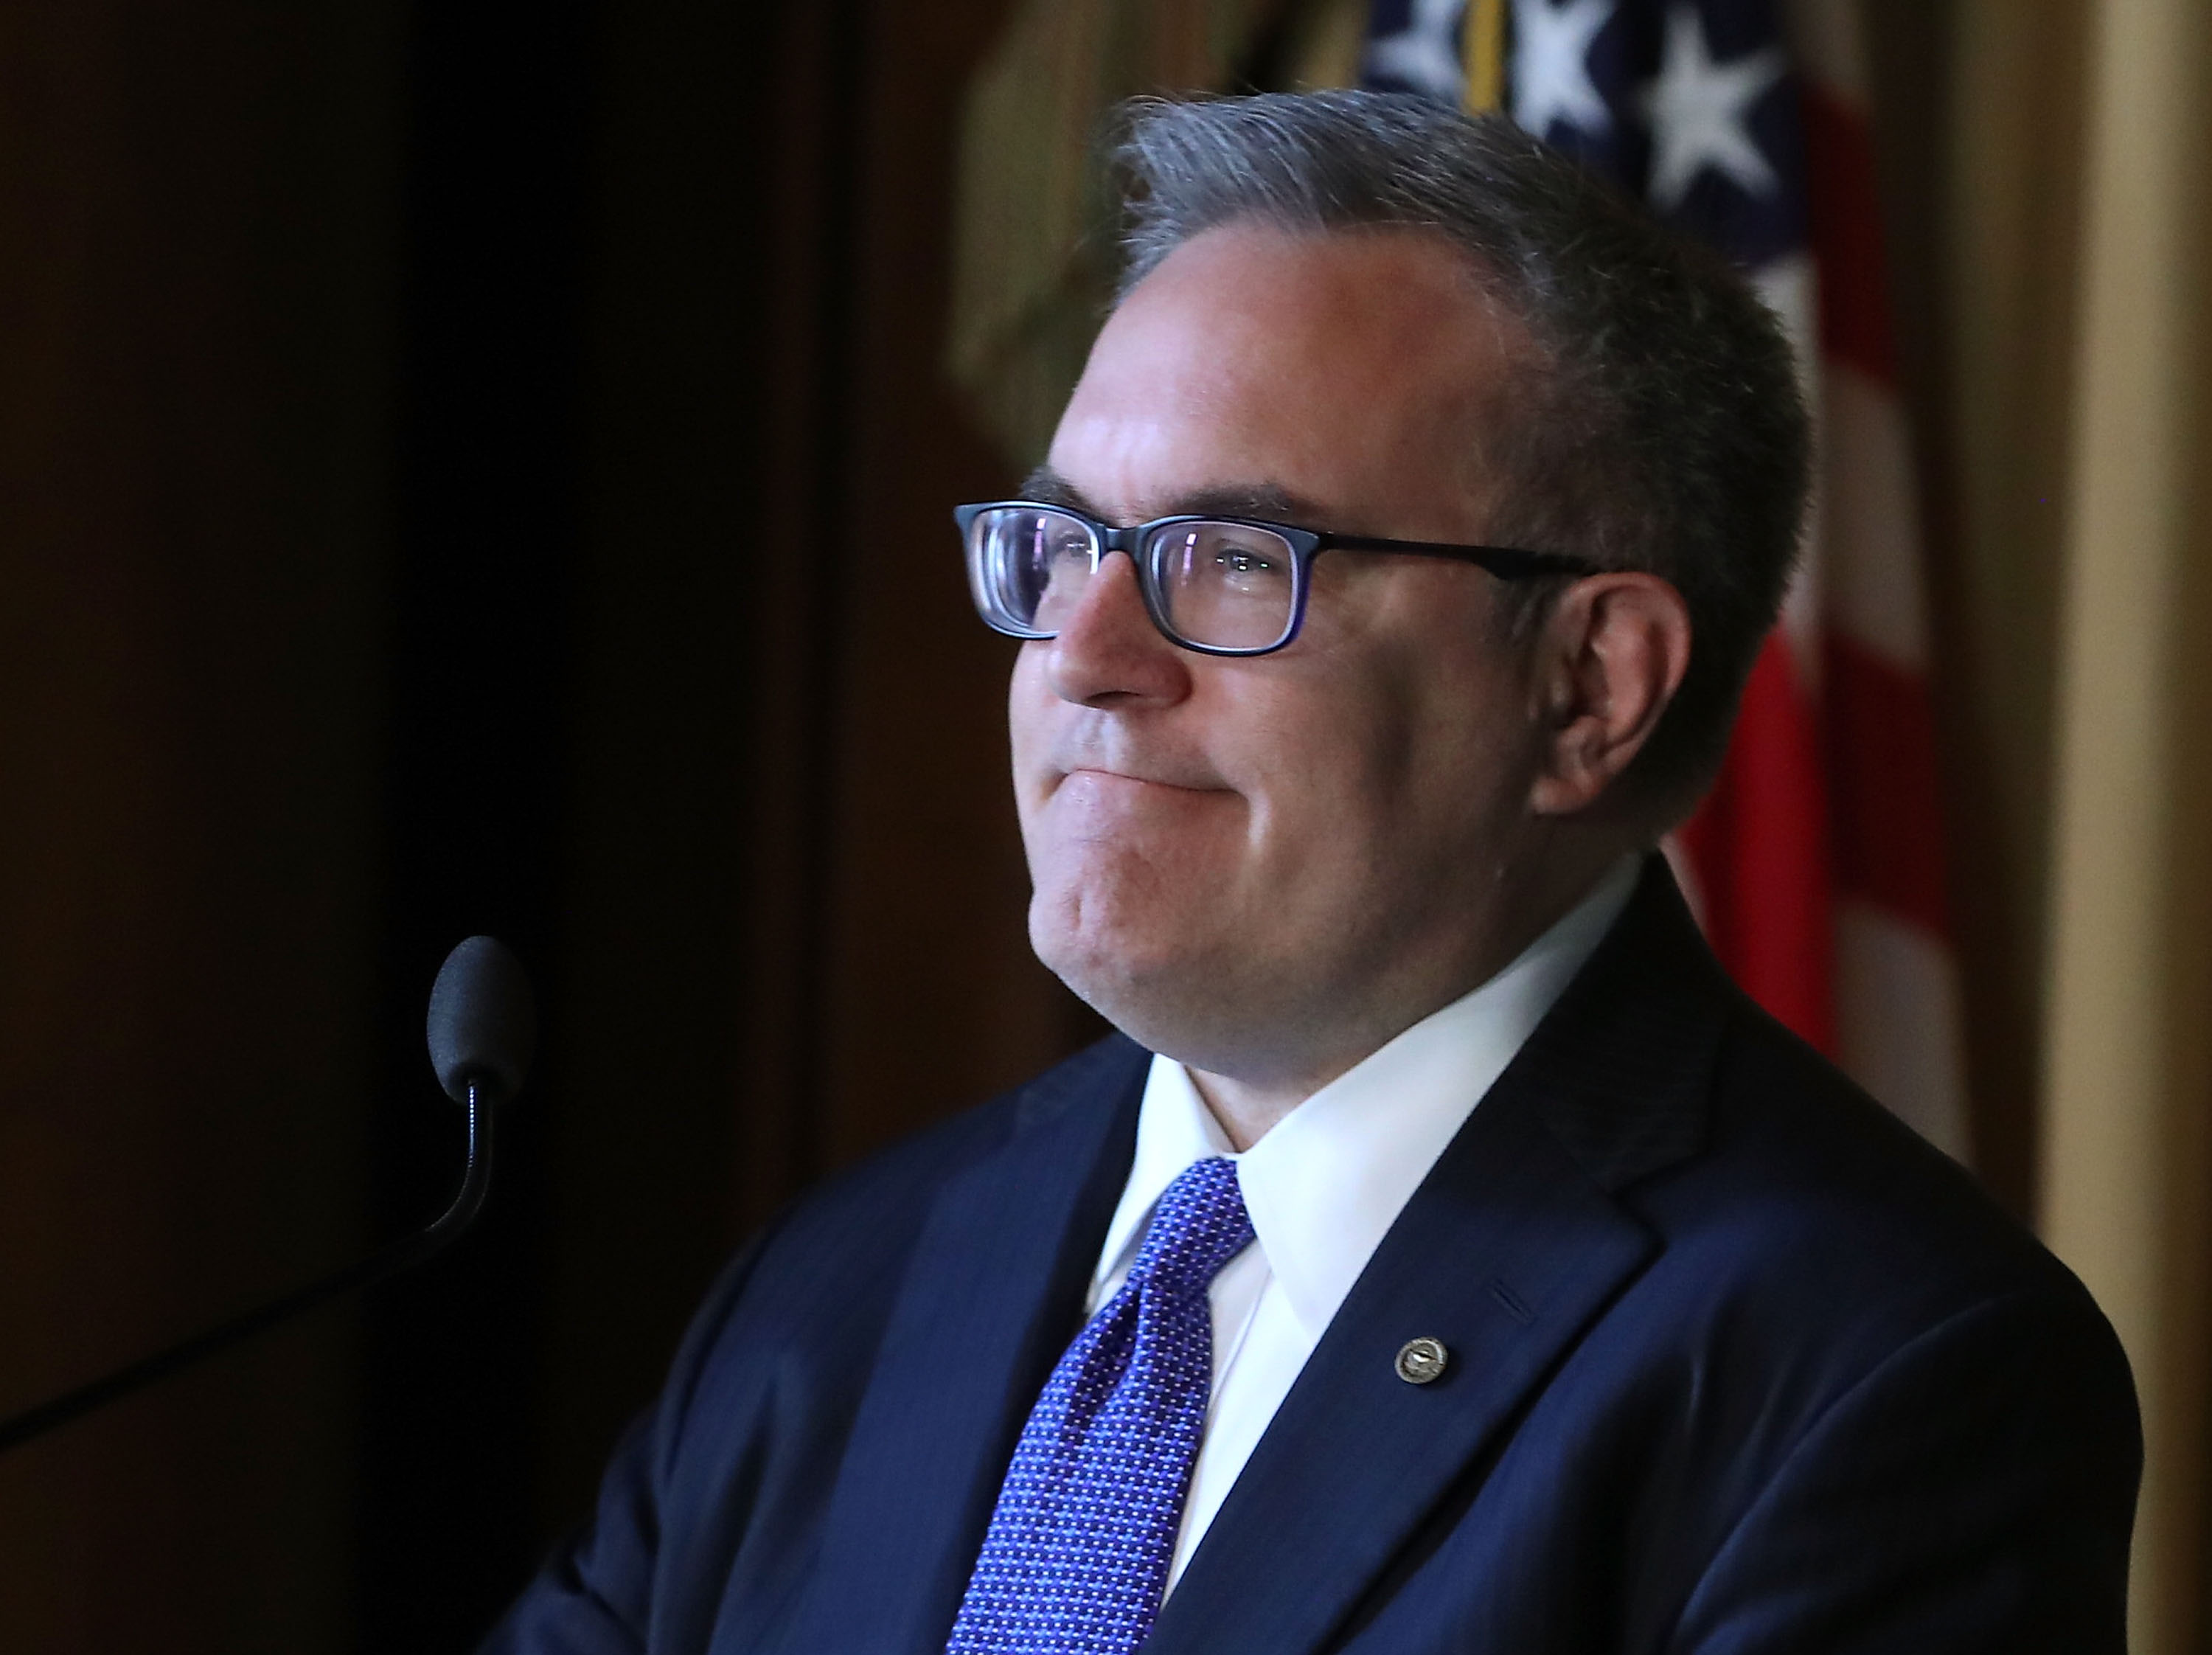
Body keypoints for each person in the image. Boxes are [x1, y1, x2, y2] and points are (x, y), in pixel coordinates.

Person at [481, 91, 2138, 1654]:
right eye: (1066, 545)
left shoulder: (1875, 1371)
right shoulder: (845, 1278)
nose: (1086, 653)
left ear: (1588, 686)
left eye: (1230, 560)